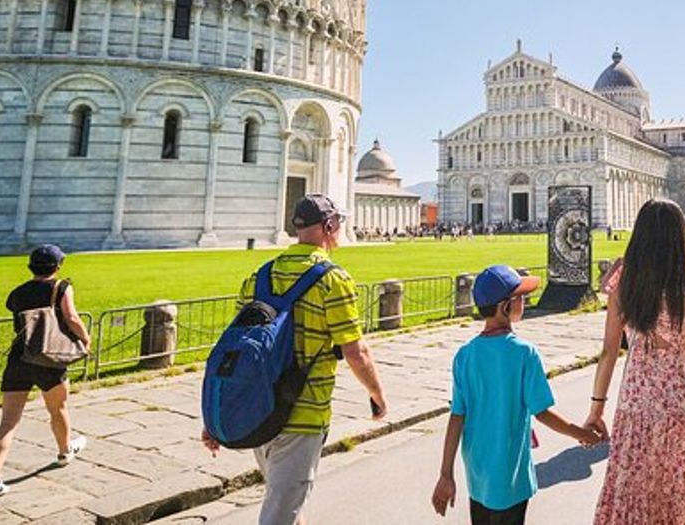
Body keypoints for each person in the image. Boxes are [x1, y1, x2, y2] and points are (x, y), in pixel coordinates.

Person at [203, 194, 387, 525]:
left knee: (288, 504)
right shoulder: (333, 279)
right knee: (280, 514)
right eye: (339, 224)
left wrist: (216, 413)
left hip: (258, 409)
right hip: (302, 414)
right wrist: (377, 395)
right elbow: (355, 351)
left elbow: (237, 349)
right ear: (329, 226)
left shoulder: (260, 275)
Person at [586, 199, 685, 525]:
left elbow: (608, 352)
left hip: (635, 404)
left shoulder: (625, 287)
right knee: (682, 495)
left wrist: (596, 409)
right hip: (682, 404)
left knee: (635, 492)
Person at [432, 265, 599, 523]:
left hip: (478, 473)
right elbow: (542, 412)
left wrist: (446, 474)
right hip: (510, 474)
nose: (526, 301)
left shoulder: (465, 355)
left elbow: (457, 417)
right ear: (505, 307)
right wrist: (581, 433)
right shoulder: (524, 353)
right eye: (520, 297)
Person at [0, 245, 92, 502]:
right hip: (50, 358)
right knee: (58, 409)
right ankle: (65, 452)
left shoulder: (17, 293)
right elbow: (72, 317)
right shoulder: (61, 286)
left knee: (8, 423)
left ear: (31, 266)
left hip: (19, 358)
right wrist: (86, 339)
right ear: (58, 266)